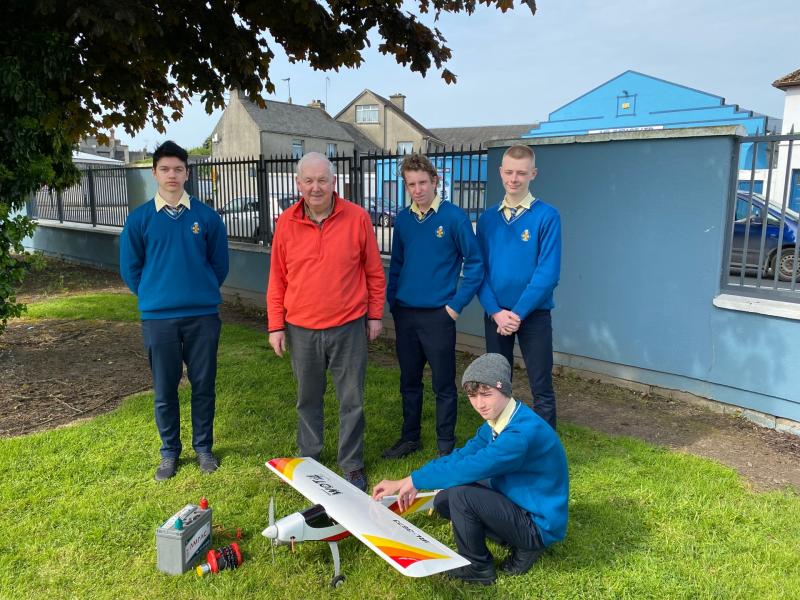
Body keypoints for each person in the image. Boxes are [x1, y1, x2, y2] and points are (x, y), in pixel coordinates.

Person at [373, 353, 569, 585]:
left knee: (460, 495)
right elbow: (462, 456)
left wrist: (415, 481)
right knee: (444, 500)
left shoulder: (520, 435)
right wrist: (410, 479)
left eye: (486, 394)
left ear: (505, 390)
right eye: (472, 395)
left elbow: (468, 468)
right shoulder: (499, 420)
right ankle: (514, 541)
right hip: (519, 502)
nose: (479, 404)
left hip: (538, 524)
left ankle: (480, 567)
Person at [267, 152, 385, 492]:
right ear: (298, 183)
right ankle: (310, 461)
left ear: (335, 182)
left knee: (352, 399)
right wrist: (276, 324)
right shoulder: (286, 222)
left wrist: (374, 315)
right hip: (301, 327)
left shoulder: (358, 218)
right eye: (309, 180)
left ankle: (352, 464)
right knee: (308, 398)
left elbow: (374, 272)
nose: (316, 187)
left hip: (348, 324)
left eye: (322, 180)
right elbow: (277, 278)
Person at [120, 140, 229, 481]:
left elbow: (219, 264)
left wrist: (199, 291)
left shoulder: (207, 217)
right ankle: (169, 453)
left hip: (202, 317)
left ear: (187, 173)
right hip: (158, 319)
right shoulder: (139, 220)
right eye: (165, 169)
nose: (172, 175)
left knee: (203, 385)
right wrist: (155, 294)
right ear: (154, 173)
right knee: (165, 390)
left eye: (178, 169)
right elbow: (131, 268)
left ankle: (203, 448)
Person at [383, 153, 483, 459]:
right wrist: (393, 301)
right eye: (411, 184)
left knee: (443, 384)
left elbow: (475, 263)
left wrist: (454, 306)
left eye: (423, 182)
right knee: (408, 381)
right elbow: (397, 264)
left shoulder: (454, 218)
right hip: (406, 314)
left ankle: (445, 445)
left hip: (439, 316)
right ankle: (409, 437)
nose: (417, 189)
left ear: (435, 181)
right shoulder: (402, 219)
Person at [476, 144, 561, 429]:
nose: (514, 179)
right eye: (509, 172)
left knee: (541, 384)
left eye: (521, 173)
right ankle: (502, 441)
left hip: (533, 316)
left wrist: (518, 313)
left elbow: (547, 274)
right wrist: (496, 311)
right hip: (496, 317)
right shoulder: (487, 219)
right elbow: (479, 271)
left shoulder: (547, 216)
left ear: (533, 174)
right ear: (501, 172)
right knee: (497, 384)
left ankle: (543, 451)